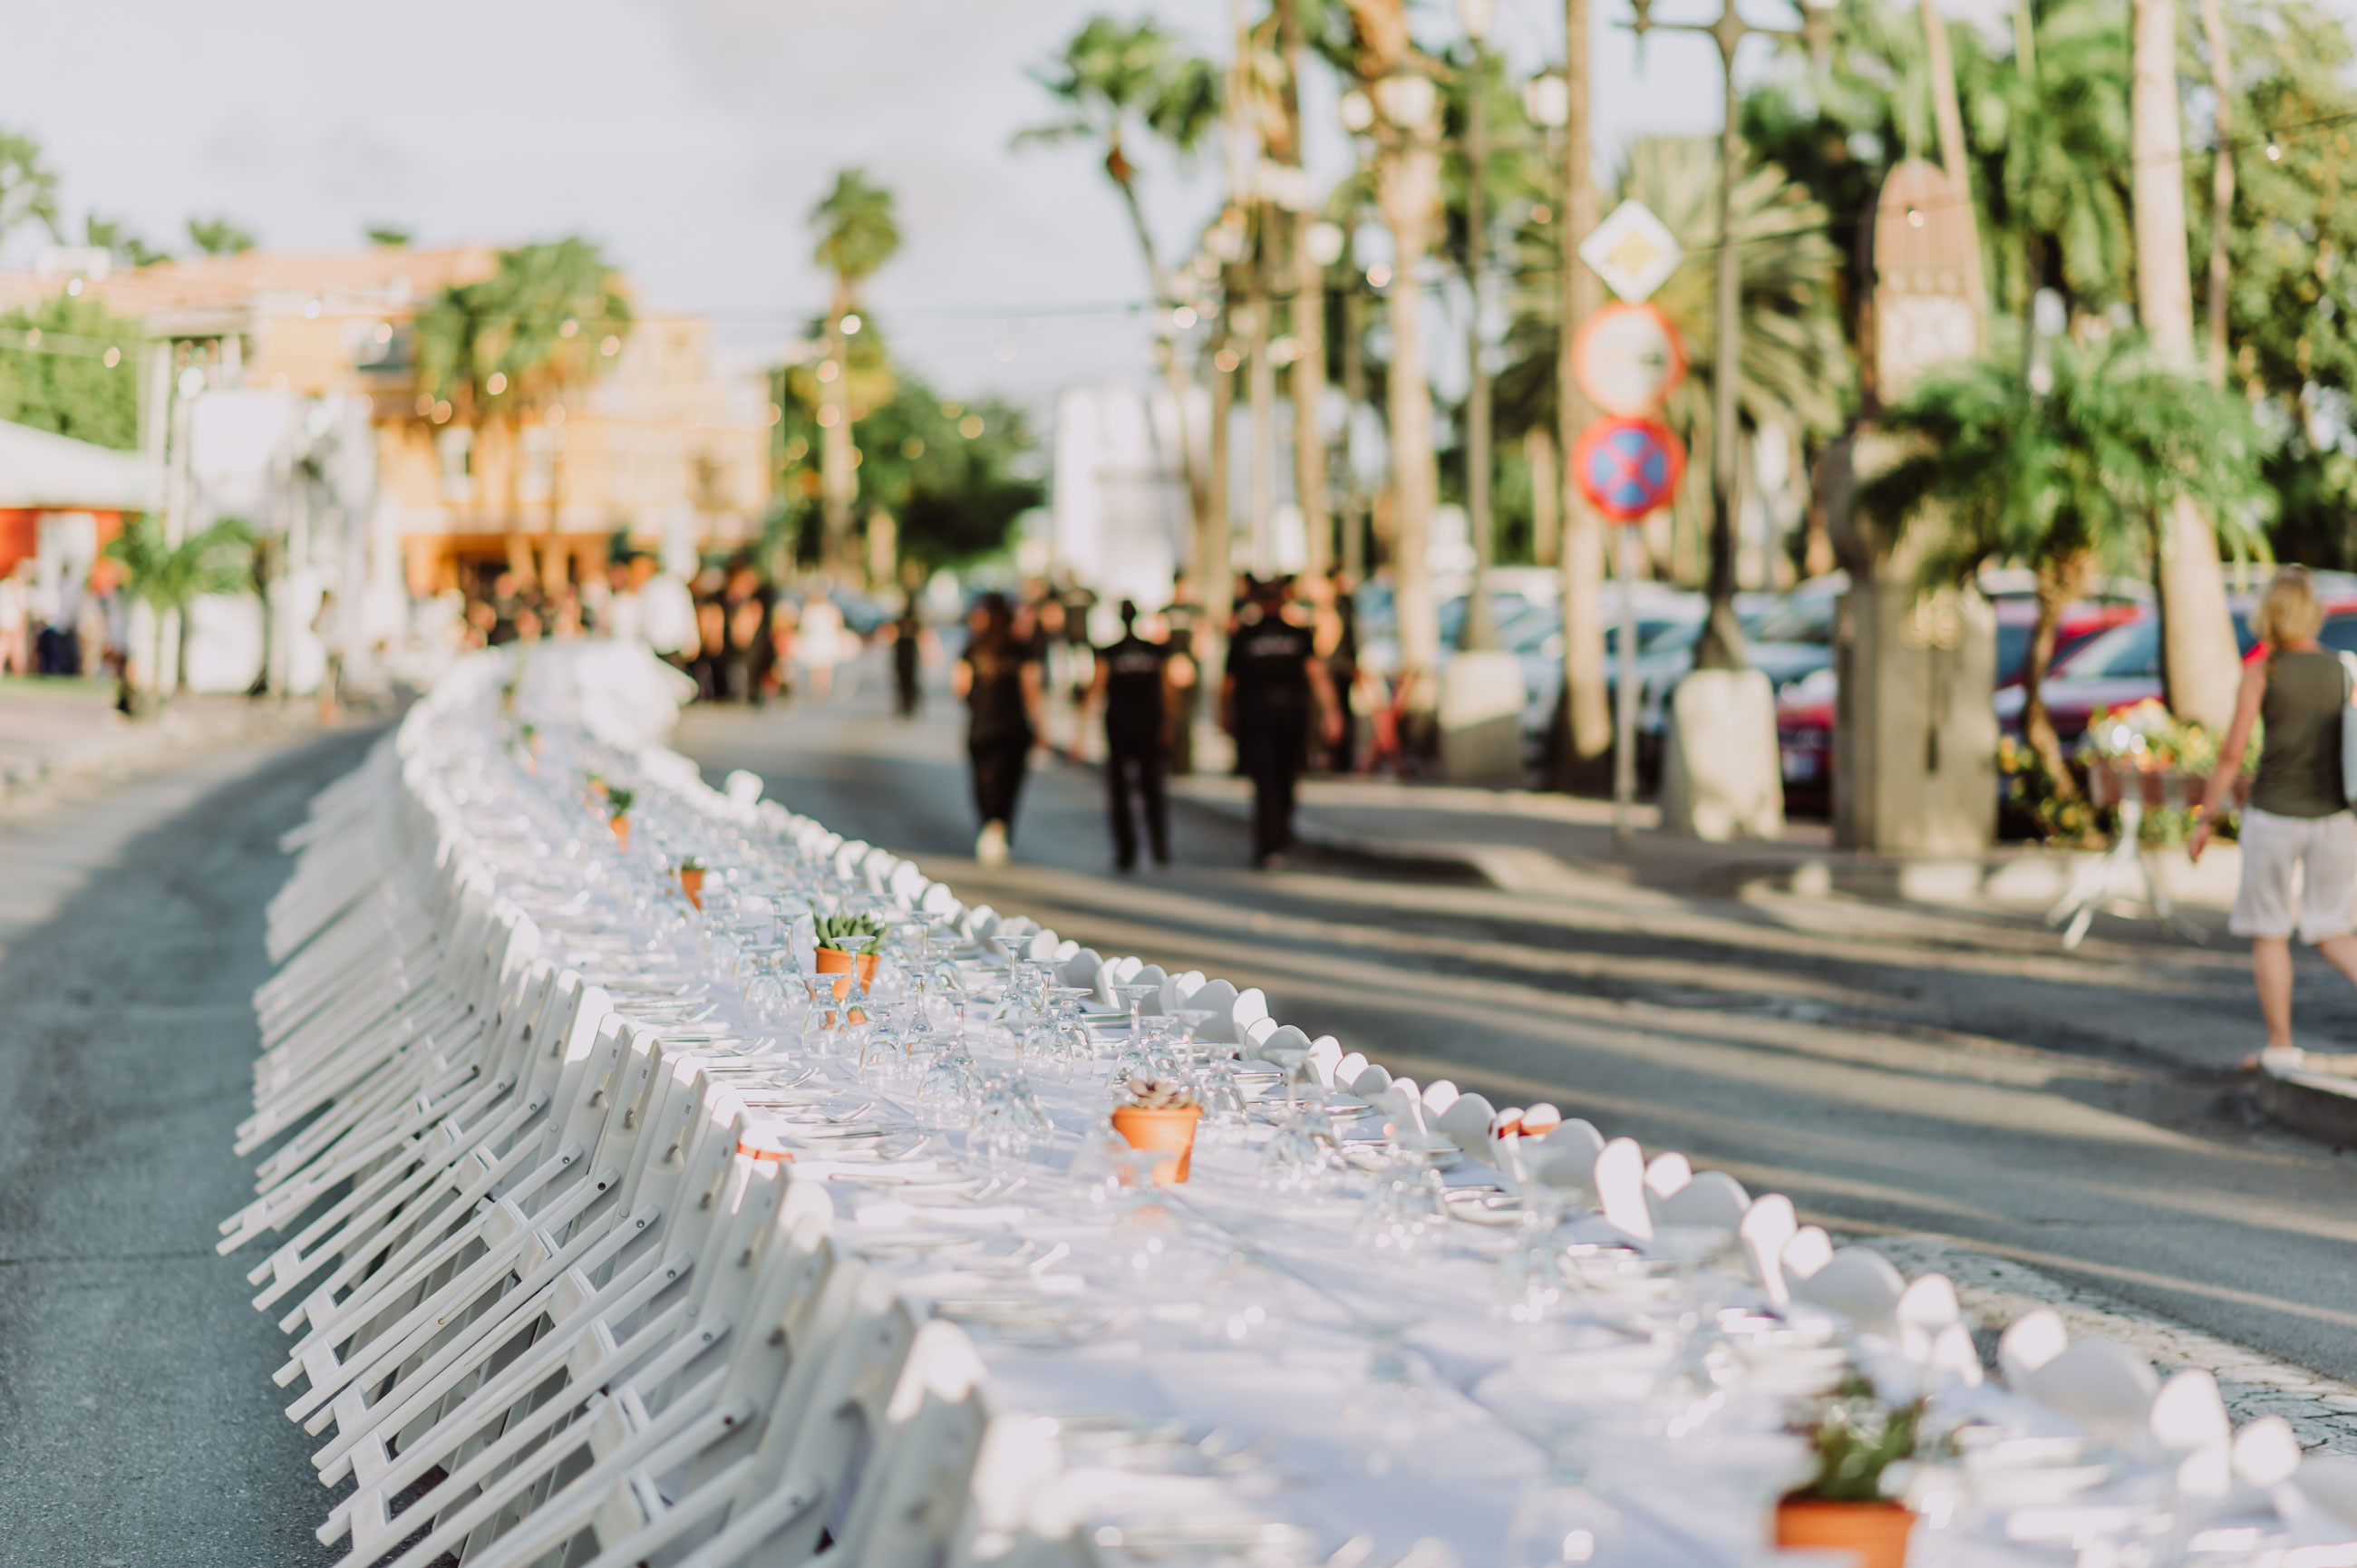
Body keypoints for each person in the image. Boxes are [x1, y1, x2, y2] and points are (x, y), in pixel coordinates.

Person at [2190, 566, 2357, 1060]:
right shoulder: (2341, 671)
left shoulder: (2263, 672)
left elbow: (2231, 754)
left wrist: (2204, 818)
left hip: (2273, 817)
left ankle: (2281, 1047)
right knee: (2333, 932)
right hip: (2334, 820)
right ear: (2310, 613)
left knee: (2271, 932)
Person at [1223, 576, 1341, 869]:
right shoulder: (1291, 635)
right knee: (1274, 779)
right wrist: (1331, 712)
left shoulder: (1250, 636)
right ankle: (1272, 840)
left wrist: (1331, 712)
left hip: (1273, 716)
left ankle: (1273, 839)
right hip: (1276, 716)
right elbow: (1317, 676)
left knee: (1275, 779)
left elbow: (1229, 684)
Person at [954, 592, 1043, 866]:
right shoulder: (1020, 648)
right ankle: (1002, 828)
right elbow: (1032, 691)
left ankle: (989, 825)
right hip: (1015, 728)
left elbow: (959, 687)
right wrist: (1041, 726)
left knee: (984, 781)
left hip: (982, 727)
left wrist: (978, 700)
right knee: (1010, 784)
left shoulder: (973, 647)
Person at [1088, 599, 1173, 872]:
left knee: (1120, 791)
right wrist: (1168, 723)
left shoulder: (1110, 653)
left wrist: (1083, 729)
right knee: (1153, 788)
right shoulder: (1154, 651)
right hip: (1149, 725)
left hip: (1119, 727)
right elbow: (1166, 689)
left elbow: (1096, 689)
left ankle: (1127, 851)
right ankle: (1159, 846)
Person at [891, 593, 925, 718]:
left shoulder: (910, 620)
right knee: (906, 680)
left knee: (906, 680)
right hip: (905, 649)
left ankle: (908, 704)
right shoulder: (909, 620)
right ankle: (906, 704)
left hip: (906, 649)